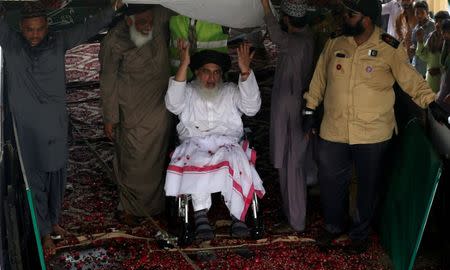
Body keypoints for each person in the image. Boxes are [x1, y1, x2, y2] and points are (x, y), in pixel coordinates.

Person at [302, 0, 450, 254]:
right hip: (334, 129)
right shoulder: (335, 41)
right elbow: (319, 78)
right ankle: (334, 226)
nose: (344, 17)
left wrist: (430, 102)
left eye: (351, 14)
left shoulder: (389, 47)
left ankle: (360, 234)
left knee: (368, 187)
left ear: (367, 18)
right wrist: (309, 107)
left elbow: (410, 78)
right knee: (330, 182)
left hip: (373, 132)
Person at [0, 0, 124, 252]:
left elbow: (87, 28)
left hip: (54, 125)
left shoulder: (58, 41)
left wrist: (112, 9)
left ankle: (53, 221)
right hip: (26, 129)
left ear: (47, 26)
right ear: (20, 28)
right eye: (28, 29)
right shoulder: (11, 42)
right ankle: (43, 232)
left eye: (39, 29)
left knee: (57, 174)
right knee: (33, 180)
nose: (34, 35)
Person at [164, 42, 265, 241]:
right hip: (195, 143)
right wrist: (183, 65)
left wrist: (245, 72)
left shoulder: (230, 91)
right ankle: (200, 216)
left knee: (234, 160)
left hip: (227, 144)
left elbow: (252, 108)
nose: (212, 78)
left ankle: (238, 216)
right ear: (197, 73)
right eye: (206, 72)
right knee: (198, 159)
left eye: (217, 72)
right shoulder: (189, 91)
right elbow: (173, 105)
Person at [100, 4, 173, 226]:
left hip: (161, 106)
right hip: (133, 110)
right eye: (142, 23)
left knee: (158, 158)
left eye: (150, 21)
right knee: (133, 161)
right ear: (129, 21)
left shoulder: (158, 15)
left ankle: (155, 206)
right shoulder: (114, 42)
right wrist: (111, 117)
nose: (148, 26)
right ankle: (130, 207)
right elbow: (108, 82)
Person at [260, 0, 315, 232]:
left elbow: (274, 34)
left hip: (290, 111)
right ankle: (293, 216)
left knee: (291, 165)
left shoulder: (295, 42)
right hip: (294, 107)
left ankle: (296, 221)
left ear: (287, 20)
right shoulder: (307, 38)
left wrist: (264, 6)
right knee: (291, 164)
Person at [416, 11, 450, 92]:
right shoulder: (432, 37)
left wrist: (439, 70)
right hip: (431, 80)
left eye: (440, 22)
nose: (437, 24)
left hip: (445, 81)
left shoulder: (448, 40)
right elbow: (424, 56)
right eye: (436, 22)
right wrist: (420, 41)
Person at [411, 1, 435, 77]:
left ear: (427, 12)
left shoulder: (433, 26)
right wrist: (412, 48)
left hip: (429, 69)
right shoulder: (416, 28)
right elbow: (414, 44)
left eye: (422, 12)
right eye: (417, 13)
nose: (419, 15)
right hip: (416, 67)